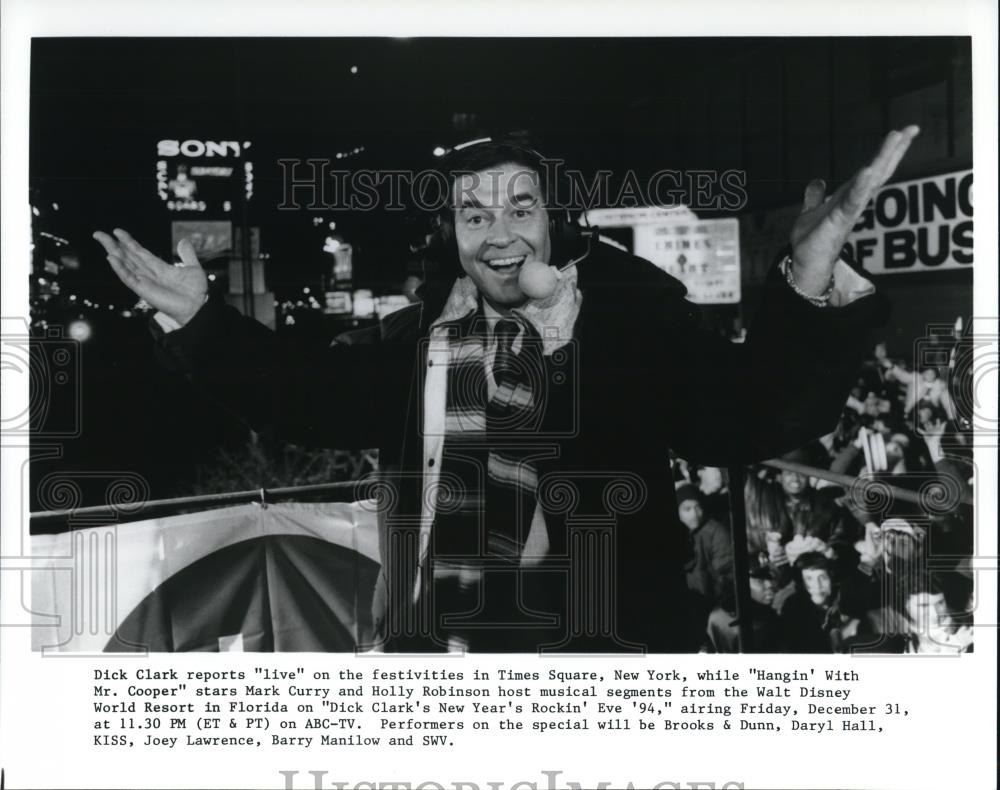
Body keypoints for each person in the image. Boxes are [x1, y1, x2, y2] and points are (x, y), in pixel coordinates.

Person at [94, 126, 919, 653]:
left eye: (520, 208)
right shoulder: (420, 339)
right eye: (475, 214)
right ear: (453, 234)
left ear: (550, 221)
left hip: (600, 654)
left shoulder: (629, 318)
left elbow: (750, 418)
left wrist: (806, 281)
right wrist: (199, 318)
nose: (500, 234)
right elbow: (303, 395)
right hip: (445, 652)